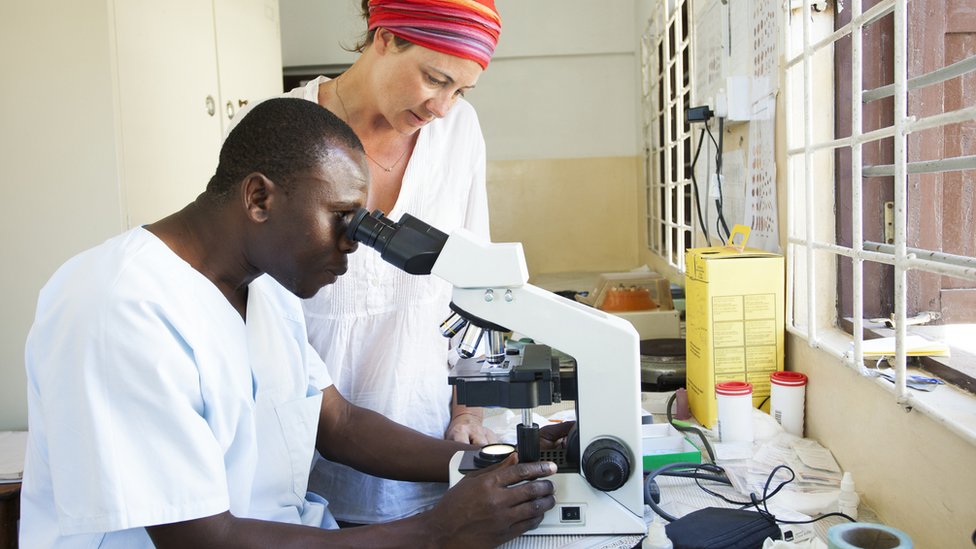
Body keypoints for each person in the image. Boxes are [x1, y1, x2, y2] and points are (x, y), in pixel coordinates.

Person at [20, 97, 560, 548]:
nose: (354, 244)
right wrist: (437, 531)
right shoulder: (120, 305)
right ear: (259, 198)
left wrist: (487, 462)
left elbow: (338, 423)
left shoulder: (265, 288)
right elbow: (207, 540)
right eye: (341, 218)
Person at [296, 0, 504, 526]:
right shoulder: (283, 130)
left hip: (429, 457)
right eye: (435, 79)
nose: (442, 107)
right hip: (304, 468)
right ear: (384, 35)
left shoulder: (459, 134)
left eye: (460, 91)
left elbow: (475, 287)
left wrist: (467, 414)